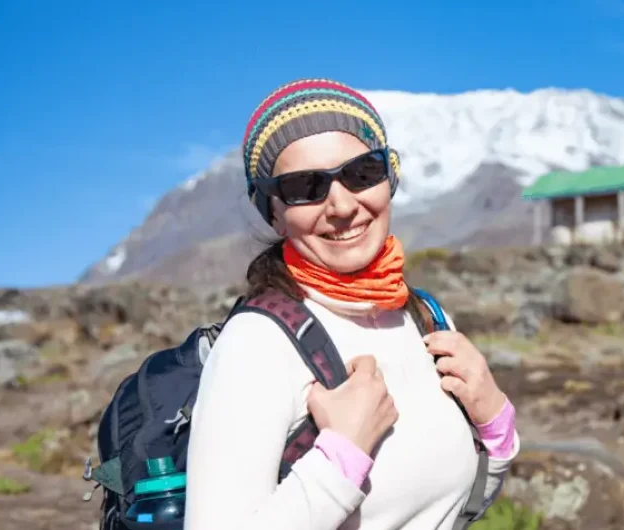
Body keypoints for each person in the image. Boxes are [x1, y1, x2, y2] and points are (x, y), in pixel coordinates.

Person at [182, 78, 521, 530]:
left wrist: (495, 430)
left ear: (389, 177)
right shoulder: (258, 344)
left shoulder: (424, 320)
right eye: (305, 187)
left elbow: (450, 511)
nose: (342, 205)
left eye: (362, 172)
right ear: (275, 212)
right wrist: (340, 459)